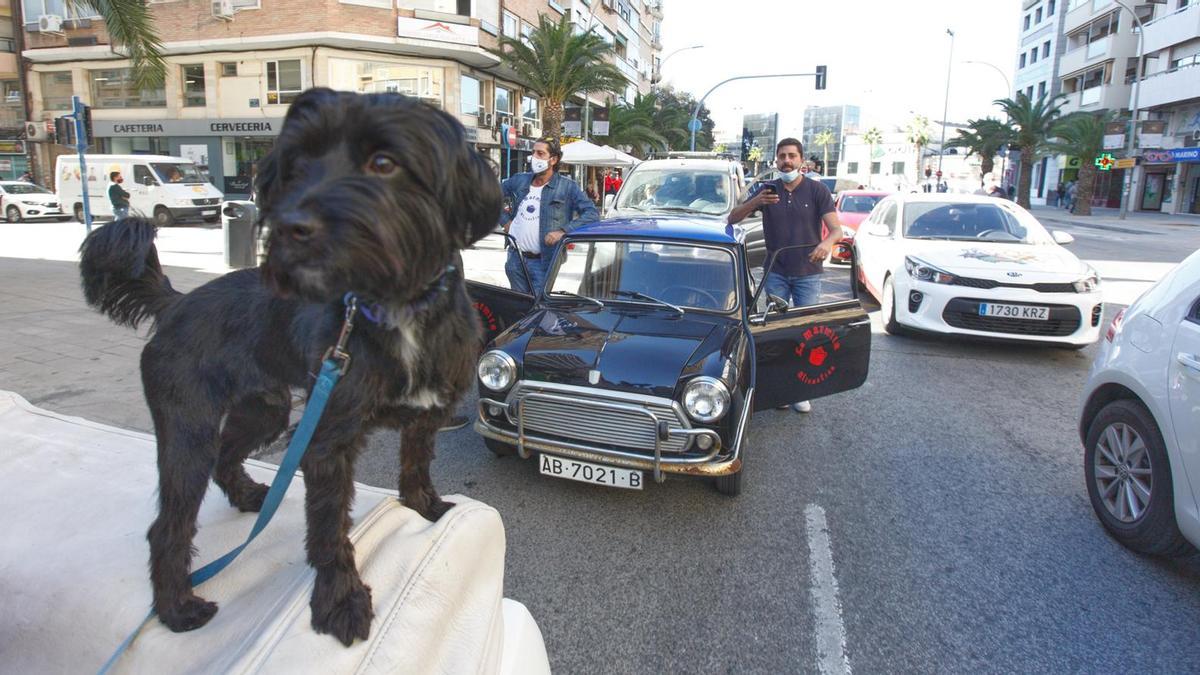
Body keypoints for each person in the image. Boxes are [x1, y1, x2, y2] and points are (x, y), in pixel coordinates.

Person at [728, 138, 843, 414]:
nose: (787, 161)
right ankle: (780, 390)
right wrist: (757, 200)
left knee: (807, 334)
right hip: (775, 272)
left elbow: (836, 231)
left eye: (792, 156)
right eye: (782, 156)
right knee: (779, 335)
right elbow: (732, 219)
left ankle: (799, 392)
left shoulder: (817, 191)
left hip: (808, 274)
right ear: (776, 161)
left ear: (801, 160)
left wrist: (826, 245)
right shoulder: (767, 190)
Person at [499, 136, 598, 295]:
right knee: (517, 307)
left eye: (540, 153)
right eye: (533, 152)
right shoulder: (520, 180)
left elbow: (592, 214)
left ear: (553, 159)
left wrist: (563, 231)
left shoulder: (567, 187)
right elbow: (490, 195)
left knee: (538, 310)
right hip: (515, 258)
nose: (534, 158)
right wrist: (505, 221)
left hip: (544, 262)